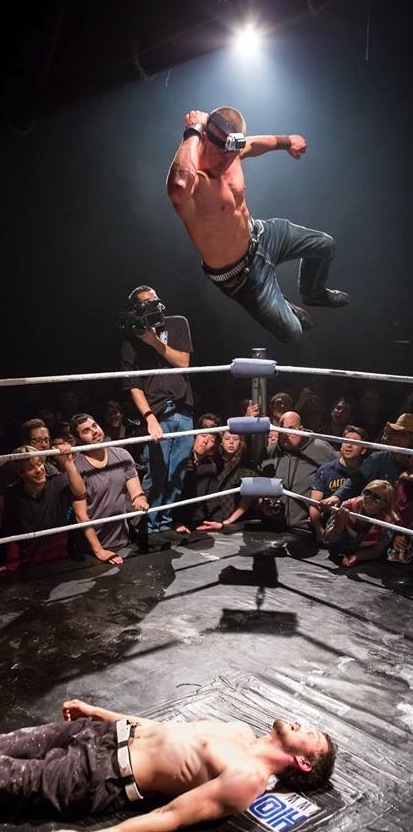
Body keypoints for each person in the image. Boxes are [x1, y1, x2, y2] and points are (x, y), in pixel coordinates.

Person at [0, 698, 338, 832]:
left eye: (311, 735)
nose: (300, 724)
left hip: (94, 775)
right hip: (95, 733)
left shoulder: (248, 778)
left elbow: (170, 815)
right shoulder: (240, 731)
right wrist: (98, 712)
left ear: (304, 763)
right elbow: (161, 729)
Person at [166, 106, 350, 343]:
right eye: (218, 149)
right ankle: (283, 305)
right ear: (204, 137)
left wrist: (287, 141)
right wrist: (193, 129)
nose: (224, 158)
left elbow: (254, 144)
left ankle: (313, 293)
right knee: (292, 332)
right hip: (242, 277)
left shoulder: (232, 149)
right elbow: (178, 186)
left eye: (231, 152)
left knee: (326, 245)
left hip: (263, 235)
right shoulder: (194, 178)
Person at [119, 285, 194, 532]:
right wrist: (149, 417)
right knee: (157, 473)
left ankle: (165, 523)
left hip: (182, 408)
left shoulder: (177, 323)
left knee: (178, 472)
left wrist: (154, 342)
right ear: (138, 309)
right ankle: (148, 527)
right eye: (147, 303)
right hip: (156, 411)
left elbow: (183, 363)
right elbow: (133, 384)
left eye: (156, 300)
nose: (155, 305)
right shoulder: (131, 339)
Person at [70, 413, 149, 564]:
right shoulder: (77, 467)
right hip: (91, 549)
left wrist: (140, 500)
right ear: (79, 440)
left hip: (122, 541)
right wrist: (98, 550)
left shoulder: (122, 455)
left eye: (94, 426)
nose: (94, 431)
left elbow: (137, 492)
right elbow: (81, 515)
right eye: (86, 431)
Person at [0, 442, 86, 572]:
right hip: (28, 560)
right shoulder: (13, 494)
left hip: (60, 557)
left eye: (40, 464)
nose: (39, 470)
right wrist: (13, 560)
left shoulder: (58, 482)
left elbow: (80, 492)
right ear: (21, 473)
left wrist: (68, 462)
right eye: (31, 468)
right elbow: (10, 528)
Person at [258, 410, 335, 533]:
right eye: (282, 430)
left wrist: (322, 514)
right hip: (273, 527)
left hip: (308, 530)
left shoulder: (322, 450)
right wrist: (263, 503)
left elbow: (338, 482)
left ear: (301, 429)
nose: (286, 434)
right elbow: (261, 484)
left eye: (291, 429)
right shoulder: (270, 452)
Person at [328, 413, 413, 508]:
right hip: (375, 512)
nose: (397, 438)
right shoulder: (378, 458)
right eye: (395, 433)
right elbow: (356, 480)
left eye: (403, 434)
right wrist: (337, 496)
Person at [309, 425, 369, 544]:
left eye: (354, 442)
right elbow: (314, 503)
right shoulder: (326, 470)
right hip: (329, 527)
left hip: (358, 532)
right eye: (346, 441)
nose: (349, 445)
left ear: (363, 449)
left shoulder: (368, 471)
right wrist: (319, 531)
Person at [323, 479, 396, 567]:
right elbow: (327, 539)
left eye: (376, 498)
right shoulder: (347, 506)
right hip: (335, 552)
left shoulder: (387, 524)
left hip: (364, 561)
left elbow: (376, 551)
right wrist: (338, 525)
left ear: (384, 504)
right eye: (367, 492)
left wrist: (357, 556)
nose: (368, 497)